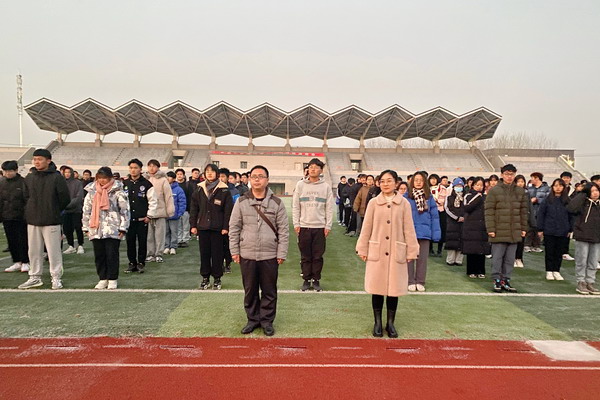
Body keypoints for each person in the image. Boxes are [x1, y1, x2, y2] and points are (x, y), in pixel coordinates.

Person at [356, 169, 419, 338]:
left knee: (394, 289)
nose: (385, 184)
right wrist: (362, 248)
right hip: (377, 250)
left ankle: (390, 323)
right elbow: (366, 227)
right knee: (377, 288)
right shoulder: (373, 203)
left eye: (389, 181)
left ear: (396, 183)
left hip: (396, 250)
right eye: (382, 181)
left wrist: (412, 250)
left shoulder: (404, 204)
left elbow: (409, 229)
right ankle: (377, 322)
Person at [229, 165, 289, 337]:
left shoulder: (277, 203)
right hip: (247, 253)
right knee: (250, 290)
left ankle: (267, 321)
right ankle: (253, 319)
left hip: (269, 254)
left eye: (261, 176)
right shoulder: (241, 202)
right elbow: (234, 227)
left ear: (267, 180)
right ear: (249, 179)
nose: (257, 179)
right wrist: (234, 250)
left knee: (269, 290)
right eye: (254, 176)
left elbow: (283, 230)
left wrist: (281, 253)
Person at [18, 149, 70, 290]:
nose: (37, 162)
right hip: (33, 219)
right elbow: (25, 197)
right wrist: (30, 210)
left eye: (40, 159)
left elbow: (65, 198)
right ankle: (35, 276)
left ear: (48, 160)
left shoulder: (57, 177)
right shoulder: (30, 177)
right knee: (34, 251)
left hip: (51, 220)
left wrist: (53, 210)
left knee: (54, 252)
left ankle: (56, 277)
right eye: (35, 159)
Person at [82, 167, 130, 290]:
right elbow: (86, 211)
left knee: (112, 255)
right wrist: (86, 227)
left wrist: (123, 228)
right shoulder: (91, 191)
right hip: (96, 228)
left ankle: (113, 278)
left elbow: (124, 211)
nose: (102, 180)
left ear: (110, 178)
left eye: (105, 178)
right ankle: (102, 278)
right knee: (99, 255)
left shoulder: (118, 191)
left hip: (113, 228)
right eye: (100, 178)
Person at [484, 164, 528, 293]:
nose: (509, 177)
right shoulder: (494, 191)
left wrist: (523, 228)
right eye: (507, 174)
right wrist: (491, 229)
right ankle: (497, 280)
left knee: (509, 259)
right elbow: (489, 211)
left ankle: (506, 280)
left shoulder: (520, 191)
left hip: (514, 230)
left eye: (512, 174)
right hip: (498, 230)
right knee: (497, 258)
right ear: (502, 175)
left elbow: (523, 212)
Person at [292, 158, 334, 292]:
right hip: (304, 226)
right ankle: (306, 280)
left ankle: (316, 280)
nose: (313, 169)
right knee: (305, 256)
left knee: (317, 256)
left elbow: (329, 208)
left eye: (316, 167)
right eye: (311, 167)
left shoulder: (325, 187)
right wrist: (296, 223)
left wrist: (328, 225)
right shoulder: (300, 185)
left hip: (319, 227)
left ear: (321, 170)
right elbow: (296, 206)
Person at [190, 163, 233, 290]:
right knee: (204, 254)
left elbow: (228, 211)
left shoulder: (224, 190)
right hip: (203, 227)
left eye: (212, 171)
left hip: (218, 228)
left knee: (217, 254)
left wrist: (226, 227)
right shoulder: (199, 189)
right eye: (207, 171)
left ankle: (217, 278)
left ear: (217, 174)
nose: (209, 173)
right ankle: (205, 278)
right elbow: (194, 209)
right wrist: (193, 225)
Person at [405, 171, 440, 292]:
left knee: (422, 259)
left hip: (425, 232)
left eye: (421, 180)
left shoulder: (429, 197)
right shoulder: (406, 197)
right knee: (409, 258)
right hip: (409, 232)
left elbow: (435, 217)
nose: (418, 182)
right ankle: (410, 281)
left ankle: (420, 281)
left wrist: (436, 234)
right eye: (416, 180)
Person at [123, 159, 157, 274]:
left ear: (140, 169)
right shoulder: (124, 183)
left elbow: (153, 201)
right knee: (130, 242)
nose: (133, 170)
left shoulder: (146, 184)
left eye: (135, 168)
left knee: (142, 242)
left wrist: (149, 215)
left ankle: (141, 263)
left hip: (142, 219)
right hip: (128, 219)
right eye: (131, 168)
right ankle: (132, 263)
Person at [567, 183, 600, 294]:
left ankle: (590, 282)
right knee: (582, 260)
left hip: (597, 236)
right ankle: (581, 281)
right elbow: (571, 208)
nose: (595, 193)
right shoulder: (582, 203)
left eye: (597, 190)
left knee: (593, 261)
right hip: (582, 235)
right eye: (592, 191)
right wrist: (582, 194)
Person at [537, 178, 573, 281]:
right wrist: (540, 229)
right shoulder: (547, 200)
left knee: (559, 252)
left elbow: (571, 216)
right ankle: (549, 271)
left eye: (560, 186)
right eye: (556, 185)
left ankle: (556, 271)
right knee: (549, 252)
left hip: (563, 230)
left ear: (564, 187)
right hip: (549, 230)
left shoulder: (568, 201)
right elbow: (541, 215)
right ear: (552, 187)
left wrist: (570, 229)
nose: (558, 188)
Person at [0, 161, 29, 273]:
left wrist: (26, 214)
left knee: (23, 239)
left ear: (16, 170)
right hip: (6, 216)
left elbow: (27, 200)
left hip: (21, 217)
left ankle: (25, 261)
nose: (8, 173)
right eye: (5, 171)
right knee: (11, 240)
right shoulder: (2, 183)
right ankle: (16, 261)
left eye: (10, 171)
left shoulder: (23, 182)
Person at [144, 159, 175, 263]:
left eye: (154, 166)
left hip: (160, 211)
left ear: (158, 167)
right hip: (148, 212)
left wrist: (170, 210)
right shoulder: (145, 179)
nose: (151, 168)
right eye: (150, 166)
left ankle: (159, 254)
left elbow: (168, 196)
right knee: (149, 236)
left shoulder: (163, 180)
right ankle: (150, 254)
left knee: (160, 235)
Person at [462, 177, 490, 278]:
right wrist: (477, 196)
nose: (479, 187)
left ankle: (481, 271)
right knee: (472, 249)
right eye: (477, 185)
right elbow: (467, 207)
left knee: (481, 250)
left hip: (482, 226)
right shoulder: (468, 196)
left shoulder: (485, 197)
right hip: (471, 227)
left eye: (481, 185)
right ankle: (471, 271)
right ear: (473, 185)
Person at [61, 166, 85, 255]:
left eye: (69, 172)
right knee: (67, 228)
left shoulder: (78, 183)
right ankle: (71, 245)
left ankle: (80, 245)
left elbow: (79, 197)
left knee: (78, 227)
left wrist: (67, 205)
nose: (67, 174)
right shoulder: (62, 183)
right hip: (65, 211)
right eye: (65, 172)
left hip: (76, 209)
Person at [220, 168, 240, 273]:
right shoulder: (213, 189)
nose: (220, 178)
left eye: (223, 176)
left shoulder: (234, 191)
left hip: (230, 221)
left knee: (227, 243)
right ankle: (219, 264)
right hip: (217, 221)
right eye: (219, 176)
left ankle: (228, 263)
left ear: (227, 178)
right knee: (217, 245)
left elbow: (237, 206)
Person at [525, 172, 550, 253]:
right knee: (529, 228)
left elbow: (548, 199)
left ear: (537, 178)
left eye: (532, 178)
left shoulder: (546, 188)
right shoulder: (529, 188)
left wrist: (537, 200)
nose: (531, 180)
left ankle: (536, 245)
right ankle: (527, 245)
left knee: (538, 229)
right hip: (531, 211)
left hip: (541, 211)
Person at [164, 171, 187, 255]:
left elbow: (182, 202)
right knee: (166, 232)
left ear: (173, 179)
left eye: (169, 177)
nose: (167, 178)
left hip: (174, 215)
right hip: (165, 215)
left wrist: (179, 213)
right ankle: (166, 246)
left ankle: (173, 247)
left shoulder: (178, 189)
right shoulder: (164, 188)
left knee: (174, 232)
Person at [444, 178, 465, 266]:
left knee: (461, 240)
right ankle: (450, 260)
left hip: (463, 222)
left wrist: (464, 217)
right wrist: (456, 218)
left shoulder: (465, 198)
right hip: (452, 222)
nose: (459, 187)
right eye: (457, 186)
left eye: (460, 186)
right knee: (451, 240)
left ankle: (459, 260)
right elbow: (447, 209)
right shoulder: (449, 198)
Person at [513, 175, 530, 268]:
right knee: (513, 241)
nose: (520, 183)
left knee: (521, 240)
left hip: (523, 220)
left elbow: (529, 208)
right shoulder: (511, 193)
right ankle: (513, 258)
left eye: (522, 182)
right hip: (513, 219)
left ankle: (519, 258)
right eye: (518, 181)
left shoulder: (526, 193)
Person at [429, 174, 447, 257]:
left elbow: (445, 201)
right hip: (430, 212)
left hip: (441, 211)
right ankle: (430, 249)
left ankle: (439, 250)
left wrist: (438, 202)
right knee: (430, 229)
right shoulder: (427, 189)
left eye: (435, 179)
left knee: (441, 230)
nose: (433, 180)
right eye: (431, 179)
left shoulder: (443, 189)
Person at [175, 168, 191, 248]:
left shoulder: (187, 185)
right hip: (176, 210)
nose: (179, 176)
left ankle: (185, 240)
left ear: (184, 175)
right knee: (178, 226)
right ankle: (178, 240)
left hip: (186, 209)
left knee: (185, 226)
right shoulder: (174, 185)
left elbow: (190, 197)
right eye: (178, 174)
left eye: (181, 174)